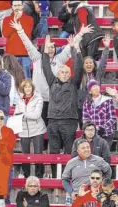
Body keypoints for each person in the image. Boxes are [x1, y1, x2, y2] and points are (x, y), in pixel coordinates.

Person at [11, 21, 92, 150]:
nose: (51, 49)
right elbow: (27, 44)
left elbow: (69, 47)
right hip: (40, 100)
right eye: (48, 47)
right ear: (43, 48)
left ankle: (54, 156)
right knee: (42, 132)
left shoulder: (60, 59)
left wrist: (81, 33)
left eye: (53, 47)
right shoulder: (37, 58)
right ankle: (43, 154)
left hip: (56, 102)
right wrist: (20, 30)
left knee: (55, 134)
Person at [41, 35, 83, 178]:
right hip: (52, 120)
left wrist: (74, 49)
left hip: (69, 121)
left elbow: (78, 67)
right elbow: (45, 65)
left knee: (68, 152)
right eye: (62, 72)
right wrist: (46, 49)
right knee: (53, 151)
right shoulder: (52, 81)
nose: (64, 74)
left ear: (70, 74)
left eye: (67, 72)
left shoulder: (73, 83)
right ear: (57, 73)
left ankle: (66, 177)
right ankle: (54, 177)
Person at [63, 139, 112, 207]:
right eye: (83, 148)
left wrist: (103, 187)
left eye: (88, 147)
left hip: (95, 199)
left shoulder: (98, 160)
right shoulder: (71, 163)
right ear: (77, 151)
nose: (86, 150)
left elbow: (108, 171)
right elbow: (64, 179)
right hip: (79, 198)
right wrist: (71, 192)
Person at [14, 79, 46, 178]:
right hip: (24, 130)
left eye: (29, 87)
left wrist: (23, 114)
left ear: (32, 88)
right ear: (22, 89)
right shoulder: (20, 100)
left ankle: (39, 175)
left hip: (37, 129)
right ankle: (26, 175)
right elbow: (16, 113)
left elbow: (36, 115)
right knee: (25, 154)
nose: (28, 89)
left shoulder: (38, 98)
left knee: (38, 154)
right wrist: (19, 115)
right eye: (25, 87)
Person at [77, 35, 110, 129]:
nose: (88, 64)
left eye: (90, 63)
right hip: (82, 108)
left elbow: (103, 63)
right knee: (84, 129)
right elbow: (77, 63)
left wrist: (106, 48)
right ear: (83, 65)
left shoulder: (97, 76)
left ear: (94, 65)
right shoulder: (79, 76)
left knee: (95, 129)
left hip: (96, 107)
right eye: (86, 63)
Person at [2, 0, 34, 78]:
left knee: (26, 78)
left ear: (22, 6)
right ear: (12, 7)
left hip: (25, 54)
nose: (17, 8)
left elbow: (26, 33)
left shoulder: (29, 19)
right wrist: (16, 19)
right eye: (15, 5)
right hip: (10, 54)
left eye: (19, 5)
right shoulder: (6, 19)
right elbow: (6, 34)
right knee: (10, 79)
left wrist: (17, 20)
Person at [82, 79, 117, 147]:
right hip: (92, 134)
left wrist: (102, 127)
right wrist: (91, 129)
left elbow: (112, 118)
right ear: (90, 91)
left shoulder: (107, 100)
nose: (96, 89)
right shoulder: (86, 103)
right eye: (94, 88)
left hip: (106, 134)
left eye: (97, 86)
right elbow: (85, 119)